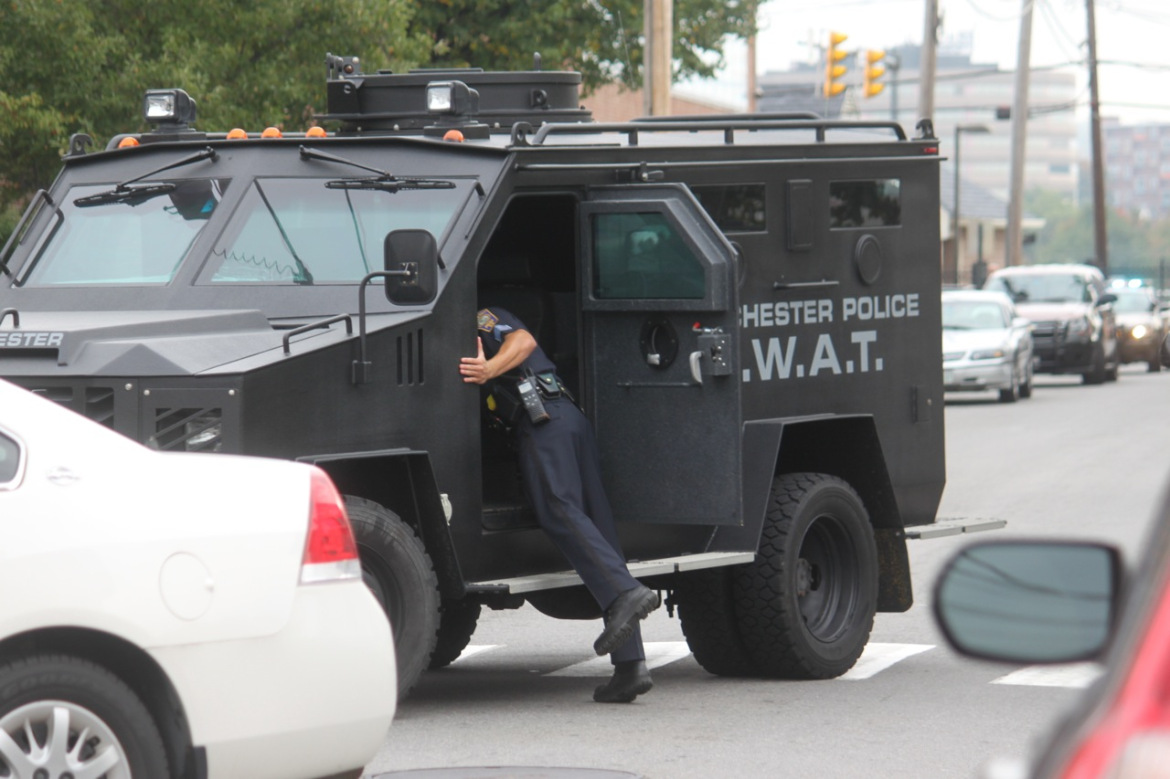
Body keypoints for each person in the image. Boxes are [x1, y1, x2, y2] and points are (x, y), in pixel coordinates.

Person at [460, 307, 660, 703]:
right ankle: (630, 666)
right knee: (598, 530)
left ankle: (625, 592)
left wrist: (488, 371)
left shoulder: (478, 315)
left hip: (543, 418)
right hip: (565, 417)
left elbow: (523, 340)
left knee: (557, 506)